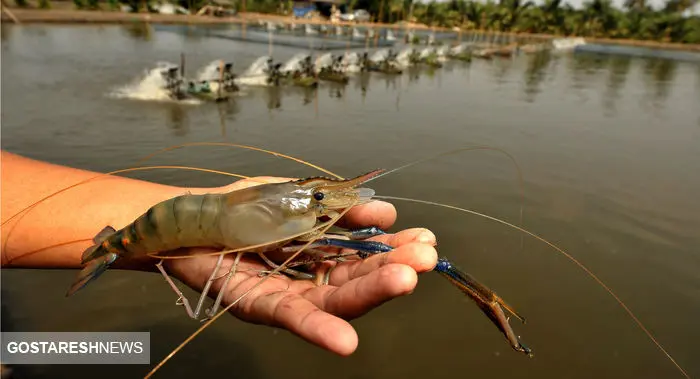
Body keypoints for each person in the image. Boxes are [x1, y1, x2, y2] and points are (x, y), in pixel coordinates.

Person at [0, 150, 438, 356]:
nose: (322, 202)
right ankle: (111, 249)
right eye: (317, 199)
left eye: (315, 196)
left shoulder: (279, 206)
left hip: (175, 223)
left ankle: (112, 248)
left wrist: (315, 205)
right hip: (159, 228)